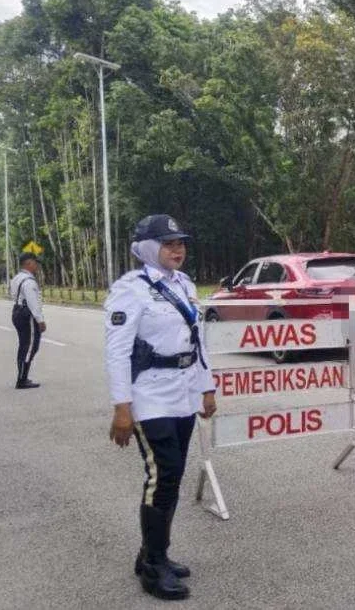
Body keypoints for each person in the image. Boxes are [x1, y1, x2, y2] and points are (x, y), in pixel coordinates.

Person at [104, 214, 217, 601]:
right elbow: (117, 351)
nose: (178, 250)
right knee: (163, 475)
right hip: (148, 396)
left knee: (172, 475)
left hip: (183, 392)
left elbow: (197, 342)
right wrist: (122, 407)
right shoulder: (130, 289)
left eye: (181, 243)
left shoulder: (185, 285)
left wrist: (207, 389)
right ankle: (154, 565)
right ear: (149, 248)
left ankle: (152, 553)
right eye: (169, 244)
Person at [9, 252, 45, 389]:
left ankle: (22, 377)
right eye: (35, 263)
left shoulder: (17, 278)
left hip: (17, 311)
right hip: (27, 314)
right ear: (28, 263)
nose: (37, 266)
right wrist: (40, 320)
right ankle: (22, 380)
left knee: (24, 345)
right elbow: (32, 302)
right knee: (30, 347)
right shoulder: (29, 281)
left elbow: (13, 294)